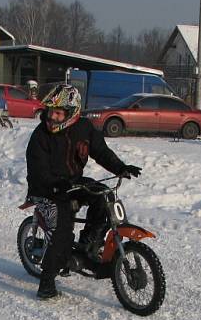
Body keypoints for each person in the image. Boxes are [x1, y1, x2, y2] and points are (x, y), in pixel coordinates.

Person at [25, 83, 142, 300]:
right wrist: (54, 185)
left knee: (103, 195)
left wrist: (121, 167)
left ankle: (89, 244)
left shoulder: (85, 128)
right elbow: (37, 171)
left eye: (58, 113)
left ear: (72, 113)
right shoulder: (40, 136)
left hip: (73, 182)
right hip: (45, 188)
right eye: (50, 112)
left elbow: (101, 152)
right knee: (62, 233)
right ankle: (47, 282)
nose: (52, 118)